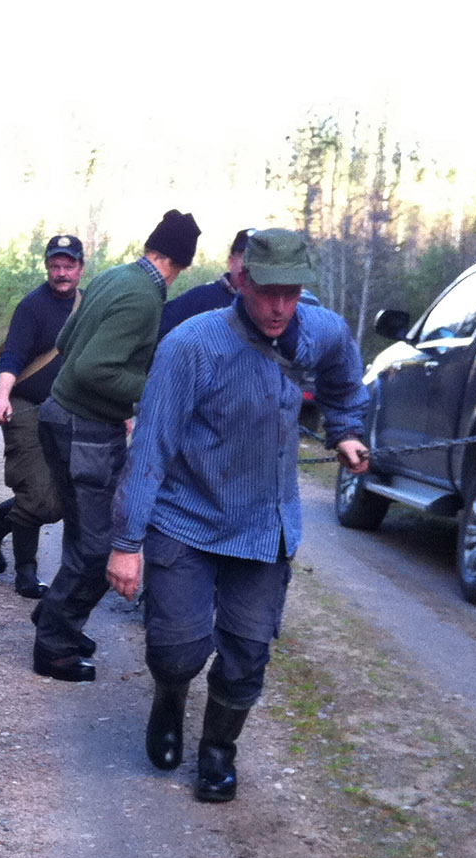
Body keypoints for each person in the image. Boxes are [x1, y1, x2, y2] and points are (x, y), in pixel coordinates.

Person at [106, 229, 371, 800]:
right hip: (187, 518)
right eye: (268, 291)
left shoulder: (321, 331)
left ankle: (217, 753)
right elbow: (150, 445)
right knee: (177, 651)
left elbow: (345, 383)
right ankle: (170, 697)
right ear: (242, 281)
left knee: (247, 654)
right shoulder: (191, 344)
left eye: (291, 292)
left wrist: (346, 432)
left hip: (264, 527)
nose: (279, 306)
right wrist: (127, 544)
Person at [30, 208, 201, 682]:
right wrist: (152, 391)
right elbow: (92, 369)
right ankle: (54, 647)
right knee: (99, 547)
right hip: (84, 429)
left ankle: (52, 618)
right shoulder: (145, 296)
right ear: (180, 263)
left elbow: (66, 340)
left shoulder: (114, 277)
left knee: (82, 536)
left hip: (57, 415)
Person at [0, 234, 83, 598]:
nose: (61, 273)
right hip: (26, 408)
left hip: (68, 413)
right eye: (55, 266)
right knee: (37, 496)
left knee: (62, 498)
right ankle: (26, 571)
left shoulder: (88, 305)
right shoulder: (31, 306)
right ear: (47, 266)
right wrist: (2, 399)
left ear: (80, 267)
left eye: (68, 266)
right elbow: (13, 358)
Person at [157, 227, 249, 344]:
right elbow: (157, 331)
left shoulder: (275, 306)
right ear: (231, 261)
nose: (251, 266)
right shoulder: (200, 298)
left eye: (260, 260)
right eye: (246, 257)